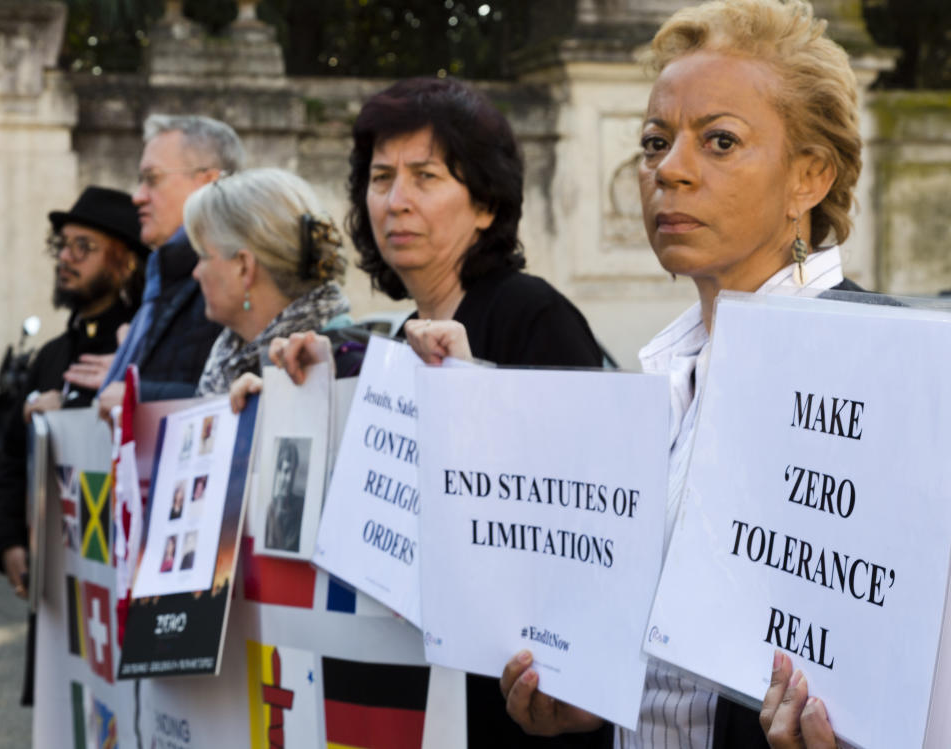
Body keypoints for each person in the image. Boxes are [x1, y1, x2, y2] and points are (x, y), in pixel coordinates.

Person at [485, 0, 859, 746]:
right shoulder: (667, 376)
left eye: (720, 141)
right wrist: (593, 695)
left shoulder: (875, 378)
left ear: (808, 178)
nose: (669, 171)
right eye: (656, 142)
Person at [268, 77, 610, 749]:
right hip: (427, 701)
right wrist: (287, 399)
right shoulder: (397, 339)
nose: (395, 201)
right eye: (381, 177)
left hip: (519, 710)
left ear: (484, 204)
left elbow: (583, 523)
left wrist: (471, 383)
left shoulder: (530, 316)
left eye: (425, 176)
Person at [0, 185, 146, 707]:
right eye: (62, 245)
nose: (66, 257)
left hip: (115, 580)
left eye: (84, 246)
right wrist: (9, 539)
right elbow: (12, 458)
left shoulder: (136, 349)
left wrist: (76, 414)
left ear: (123, 262)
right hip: (58, 589)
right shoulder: (52, 354)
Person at [90, 114, 245, 414]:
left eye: (152, 179)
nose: (137, 197)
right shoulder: (166, 273)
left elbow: (239, 395)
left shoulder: (229, 279)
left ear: (209, 183)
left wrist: (140, 396)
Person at [181, 167, 351, 397]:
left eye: (202, 256)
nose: (196, 272)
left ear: (244, 266)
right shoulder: (231, 355)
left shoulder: (340, 364)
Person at [265, 439, 303, 552]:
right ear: (278, 472)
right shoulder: (269, 508)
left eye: (292, 471)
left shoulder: (301, 506)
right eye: (286, 471)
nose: (289, 479)